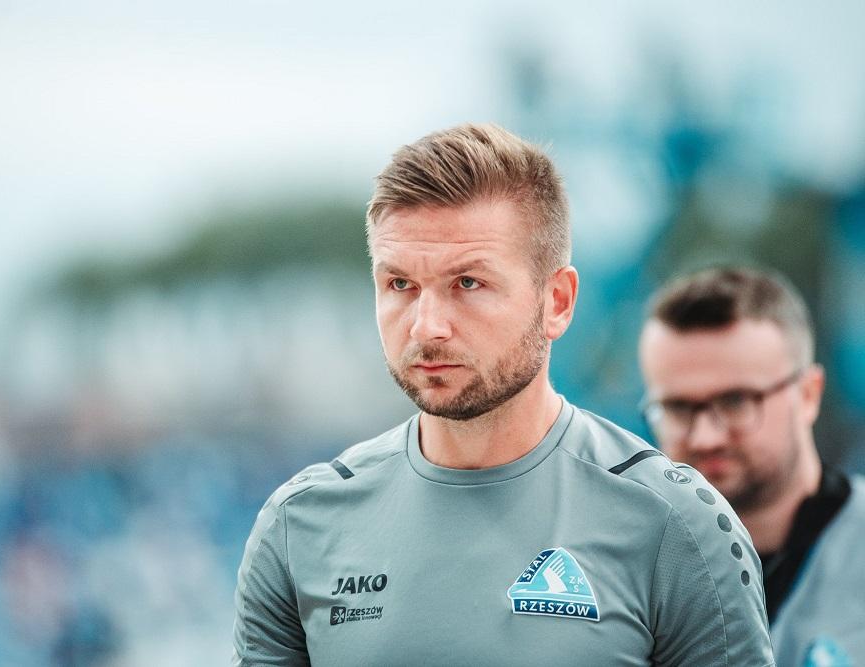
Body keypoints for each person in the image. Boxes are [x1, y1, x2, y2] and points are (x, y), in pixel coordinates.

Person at [233, 124, 774, 665]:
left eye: (468, 283)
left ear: (557, 302)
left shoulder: (676, 526)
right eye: (400, 285)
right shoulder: (300, 524)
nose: (426, 326)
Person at [638, 266, 865, 667]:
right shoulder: (624, 569)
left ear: (809, 394)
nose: (705, 437)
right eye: (677, 407)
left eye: (736, 401)